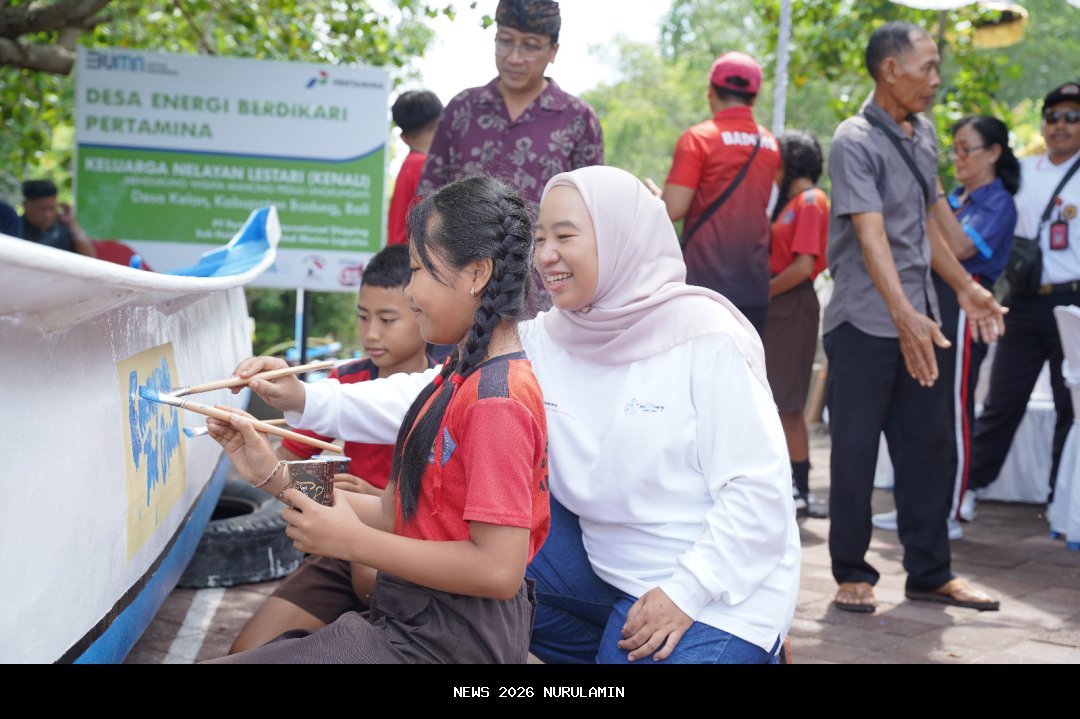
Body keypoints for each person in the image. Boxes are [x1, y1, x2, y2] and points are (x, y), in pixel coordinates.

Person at [241, 165, 800, 664]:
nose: (546, 255)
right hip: (603, 572)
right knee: (478, 528)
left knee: (490, 557)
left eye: (566, 236)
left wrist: (687, 592)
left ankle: (756, 647)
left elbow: (760, 494)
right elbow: (428, 396)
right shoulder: (550, 337)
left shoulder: (707, 339)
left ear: (622, 240)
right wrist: (306, 399)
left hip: (715, 586)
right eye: (539, 238)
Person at [205, 175, 549, 663]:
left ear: (477, 273)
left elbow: (498, 570)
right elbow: (396, 512)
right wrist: (272, 474)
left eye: (419, 271)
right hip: (412, 624)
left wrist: (355, 541)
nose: (410, 292)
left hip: (448, 645)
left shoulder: (498, 399)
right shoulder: (457, 377)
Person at [824, 22, 1005, 614]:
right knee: (854, 451)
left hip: (921, 319)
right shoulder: (853, 140)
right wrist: (901, 314)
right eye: (926, 67)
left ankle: (930, 572)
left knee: (929, 449)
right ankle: (853, 570)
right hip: (863, 322)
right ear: (889, 70)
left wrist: (966, 288)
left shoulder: (923, 132)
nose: (936, 79)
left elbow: (927, 223)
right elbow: (871, 234)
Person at [228, 244, 435, 654]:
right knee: (244, 652)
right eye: (362, 317)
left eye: (387, 319)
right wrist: (317, 485)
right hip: (338, 543)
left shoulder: (447, 388)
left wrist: (377, 501)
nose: (371, 333)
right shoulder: (344, 381)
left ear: (420, 310)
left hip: (408, 549)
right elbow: (286, 465)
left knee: (369, 583)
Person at [873, 116, 1019, 536]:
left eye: (965, 149)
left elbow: (956, 247)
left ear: (993, 152)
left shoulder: (996, 202)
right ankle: (917, 507)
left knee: (953, 415)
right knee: (920, 412)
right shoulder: (956, 197)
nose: (957, 158)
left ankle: (951, 508)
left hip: (966, 308)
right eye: (953, 149)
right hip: (930, 306)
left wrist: (929, 188)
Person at [967, 81, 1080, 512]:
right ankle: (969, 488)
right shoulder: (1022, 171)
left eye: (1072, 117)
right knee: (1002, 400)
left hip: (1074, 300)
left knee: (1071, 404)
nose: (1061, 125)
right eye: (1053, 116)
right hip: (1025, 299)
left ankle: (1062, 497)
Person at [416, 0, 604, 210]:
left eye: (530, 46)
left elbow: (592, 209)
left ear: (553, 51)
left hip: (542, 243)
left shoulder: (578, 119)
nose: (514, 58)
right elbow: (428, 196)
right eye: (505, 42)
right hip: (462, 242)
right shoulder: (462, 108)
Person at [661, 51, 781, 335]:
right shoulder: (771, 144)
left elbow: (673, 209)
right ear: (753, 98)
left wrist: (657, 199)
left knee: (697, 376)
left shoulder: (699, 138)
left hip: (704, 286)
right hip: (753, 285)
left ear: (710, 92)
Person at [762, 130, 829, 519]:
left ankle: (801, 487)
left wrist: (763, 293)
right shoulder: (790, 203)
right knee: (776, 396)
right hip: (779, 304)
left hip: (793, 303)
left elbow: (803, 266)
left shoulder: (811, 200)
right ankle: (787, 483)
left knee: (787, 401)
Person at [387, 90, 443, 246]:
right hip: (414, 260)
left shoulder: (410, 164)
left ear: (404, 138)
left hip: (401, 257)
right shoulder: (427, 167)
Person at [19, 180, 96, 258]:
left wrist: (72, 223)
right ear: (25, 205)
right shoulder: (16, 227)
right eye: (41, 209)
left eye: (51, 209)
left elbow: (89, 257)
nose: (47, 215)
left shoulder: (64, 226)